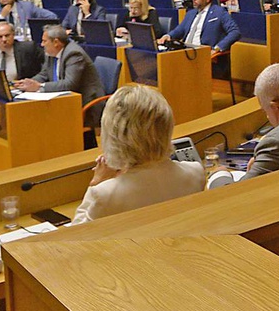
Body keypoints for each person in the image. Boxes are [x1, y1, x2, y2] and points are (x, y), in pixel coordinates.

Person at [71, 85, 205, 225]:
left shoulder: (104, 194)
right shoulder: (196, 172)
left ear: (114, 135)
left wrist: (95, 183)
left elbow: (77, 235)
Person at [15, 25, 104, 125]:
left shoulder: (74, 54)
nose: (42, 44)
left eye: (45, 41)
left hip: (86, 104)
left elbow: (69, 84)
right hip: (65, 100)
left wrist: (39, 86)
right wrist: (28, 83)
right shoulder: (51, 52)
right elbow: (44, 74)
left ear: (56, 42)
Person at [159, 0, 240, 52]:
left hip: (202, 52)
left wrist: (218, 48)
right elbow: (179, 30)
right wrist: (168, 36)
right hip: (185, 51)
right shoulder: (190, 13)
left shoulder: (219, 12)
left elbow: (235, 32)